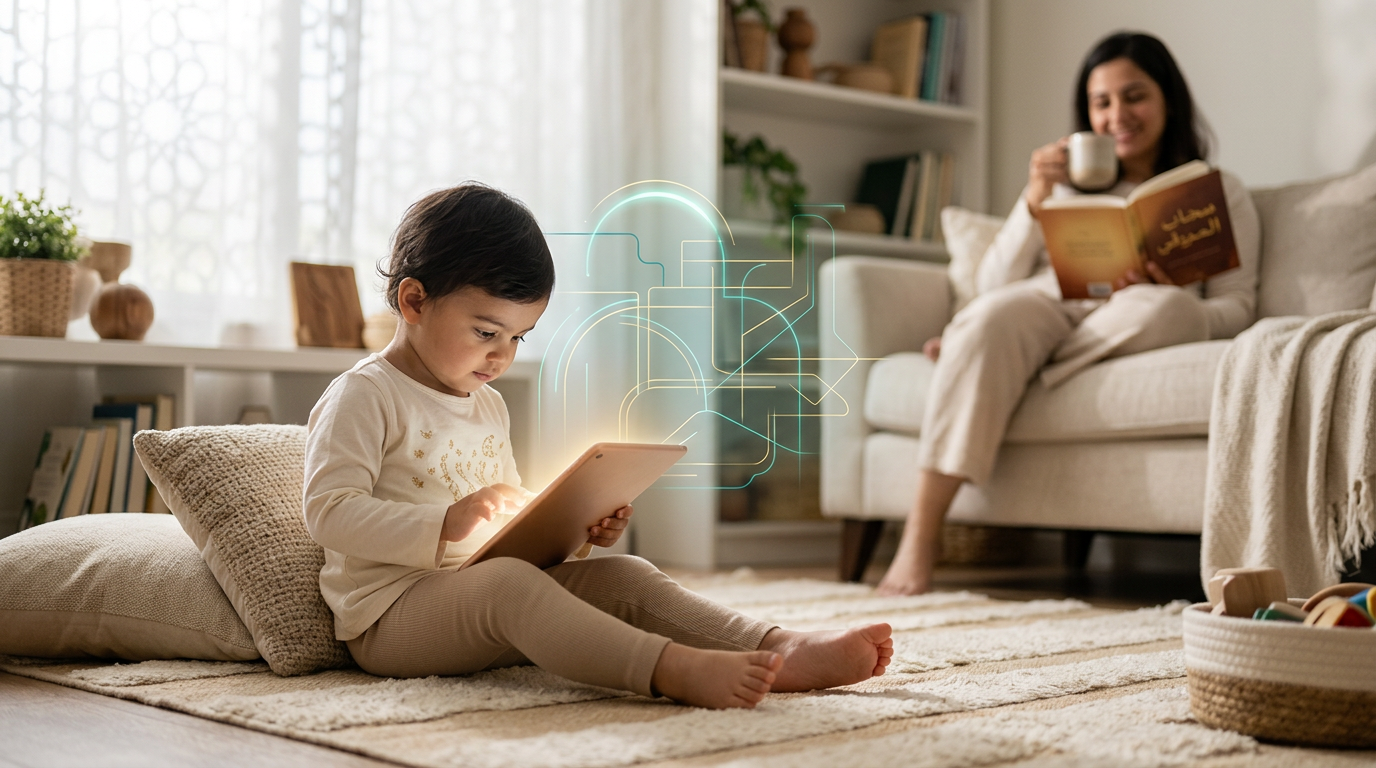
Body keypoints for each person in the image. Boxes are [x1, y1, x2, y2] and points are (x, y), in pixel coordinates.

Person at [304, 183, 893, 708]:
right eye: (486, 332)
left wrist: (574, 529)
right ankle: (670, 670)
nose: (502, 355)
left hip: (484, 594)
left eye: (519, 337)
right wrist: (446, 523)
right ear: (413, 302)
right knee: (510, 587)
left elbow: (509, 529)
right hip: (391, 616)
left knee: (627, 574)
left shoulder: (488, 404)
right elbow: (328, 512)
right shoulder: (366, 394)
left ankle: (779, 647)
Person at [877, 32, 1260, 596]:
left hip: (1135, 317)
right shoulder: (1060, 190)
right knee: (992, 318)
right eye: (1101, 102)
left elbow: (1239, 307)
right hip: (1050, 303)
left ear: (1168, 100)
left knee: (1168, 307)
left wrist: (1170, 287)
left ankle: (980, 357)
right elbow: (991, 287)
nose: (1117, 115)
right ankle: (921, 536)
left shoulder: (1218, 192)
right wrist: (1033, 200)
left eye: (1135, 96)